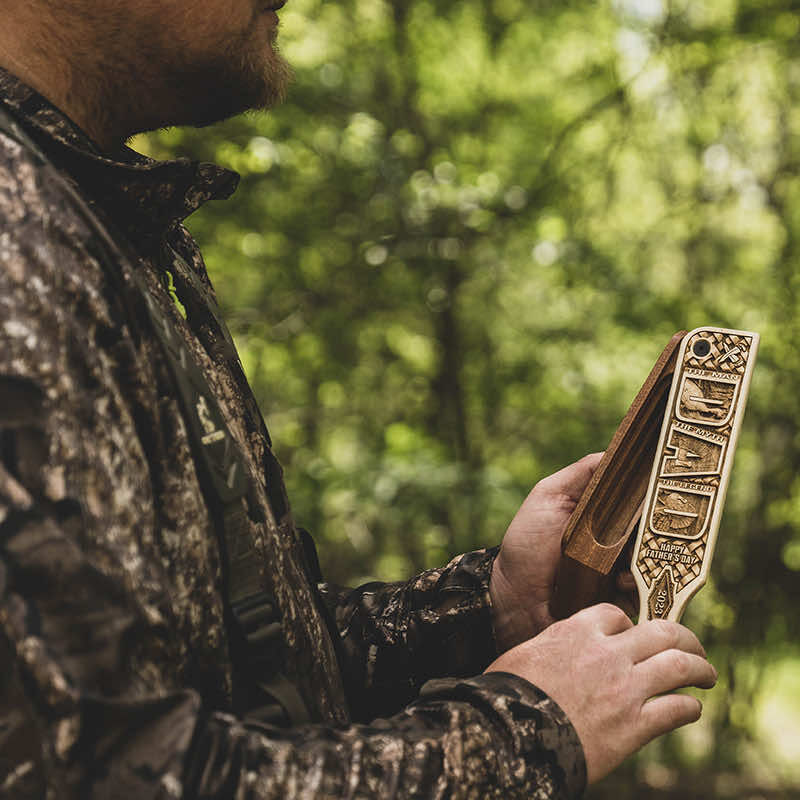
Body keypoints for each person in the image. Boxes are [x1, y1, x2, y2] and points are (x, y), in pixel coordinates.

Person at [0, 2, 717, 797]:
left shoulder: (106, 217)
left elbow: (250, 674)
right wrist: (524, 733)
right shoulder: (16, 246)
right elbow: (103, 777)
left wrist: (487, 608)